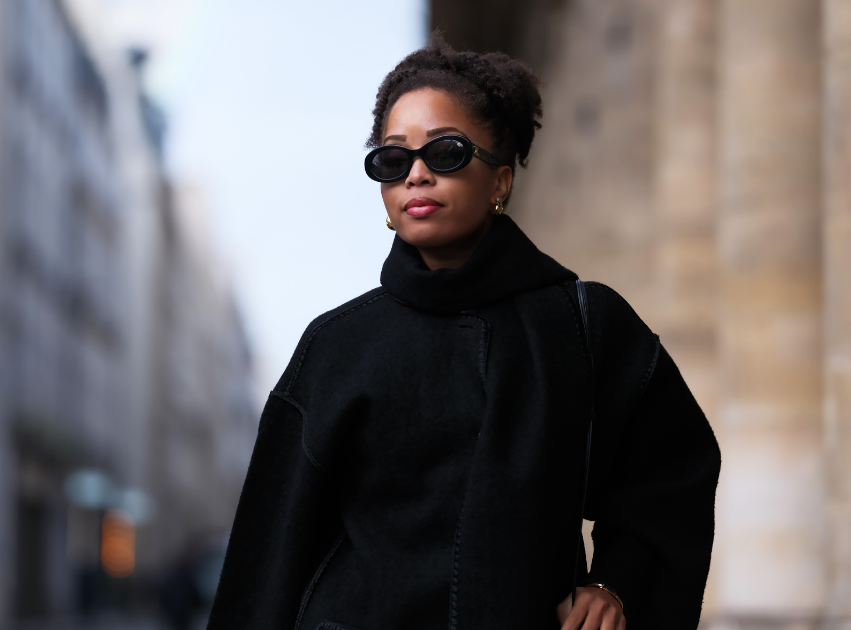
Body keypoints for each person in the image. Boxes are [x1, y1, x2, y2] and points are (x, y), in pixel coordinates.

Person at [205, 36, 720, 630]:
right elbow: (267, 557)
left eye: (445, 152)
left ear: (499, 182)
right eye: (393, 161)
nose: (416, 174)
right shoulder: (338, 347)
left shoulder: (584, 326)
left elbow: (670, 475)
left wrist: (615, 583)